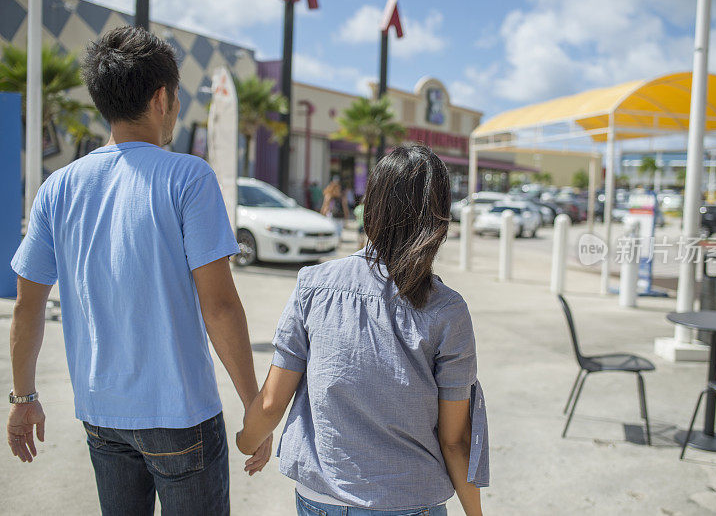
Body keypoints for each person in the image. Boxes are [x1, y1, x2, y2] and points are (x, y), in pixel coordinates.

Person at [7, 26, 269, 515]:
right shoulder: (188, 176)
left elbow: (28, 304)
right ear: (162, 98)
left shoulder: (58, 187)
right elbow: (219, 304)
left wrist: (23, 396)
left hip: (101, 416)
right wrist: (255, 405)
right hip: (181, 416)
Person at [236, 145, 489, 516]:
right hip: (410, 502)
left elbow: (273, 401)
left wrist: (248, 440)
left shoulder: (313, 285)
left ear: (371, 205)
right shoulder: (448, 311)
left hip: (321, 501)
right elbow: (455, 441)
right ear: (439, 218)